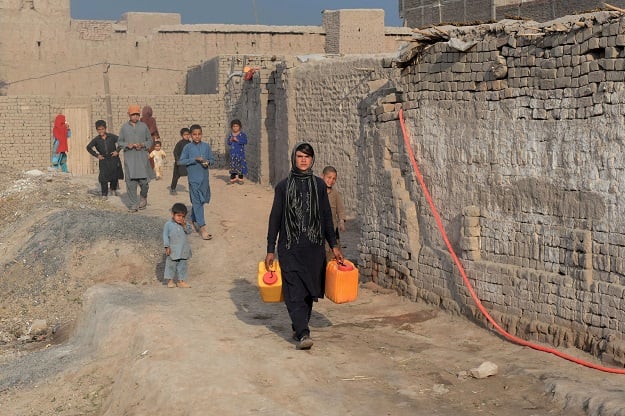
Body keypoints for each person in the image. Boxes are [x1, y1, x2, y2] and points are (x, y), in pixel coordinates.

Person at [265, 142, 344, 350]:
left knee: (309, 291)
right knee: (294, 291)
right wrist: (270, 248)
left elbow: (327, 217)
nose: (303, 159)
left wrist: (334, 245)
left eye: (307, 157)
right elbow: (275, 218)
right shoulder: (283, 186)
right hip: (289, 247)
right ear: (294, 158)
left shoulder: (319, 185)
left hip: (313, 247)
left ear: (312, 160)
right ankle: (303, 332)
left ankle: (299, 324)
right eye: (299, 156)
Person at [178, 124, 214, 240]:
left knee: (200, 201)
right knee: (198, 202)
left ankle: (193, 220)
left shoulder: (206, 147)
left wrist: (208, 162)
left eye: (199, 134)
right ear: (190, 135)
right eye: (194, 134)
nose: (197, 136)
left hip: (204, 179)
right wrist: (194, 159)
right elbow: (181, 161)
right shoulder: (188, 147)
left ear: (201, 134)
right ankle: (203, 228)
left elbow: (212, 160)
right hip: (193, 179)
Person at [118, 104, 154, 212]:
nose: (135, 117)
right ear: (129, 115)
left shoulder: (143, 126)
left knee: (144, 183)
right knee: (131, 183)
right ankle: (134, 204)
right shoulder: (124, 128)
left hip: (141, 158)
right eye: (133, 114)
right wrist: (126, 145)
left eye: (137, 114)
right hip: (130, 159)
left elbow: (150, 141)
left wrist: (142, 144)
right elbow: (119, 142)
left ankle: (143, 196)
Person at [85, 120, 123, 199]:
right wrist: (97, 155)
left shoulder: (111, 136)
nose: (101, 131)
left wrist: (117, 151)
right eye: (99, 129)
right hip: (103, 159)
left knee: (114, 175)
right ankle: (104, 194)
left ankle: (113, 190)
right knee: (103, 177)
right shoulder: (96, 140)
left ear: (105, 128)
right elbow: (88, 147)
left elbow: (121, 141)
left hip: (113, 158)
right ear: (97, 130)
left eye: (102, 129)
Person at [163, 203, 193, 288]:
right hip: (173, 250)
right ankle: (170, 281)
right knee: (171, 265)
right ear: (173, 214)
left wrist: (184, 225)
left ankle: (181, 281)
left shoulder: (185, 224)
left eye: (183, 216)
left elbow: (189, 232)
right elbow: (165, 236)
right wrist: (166, 246)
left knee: (182, 266)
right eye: (178, 216)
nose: (180, 218)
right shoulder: (168, 224)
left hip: (183, 249)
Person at [322, 166, 347, 260]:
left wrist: (341, 222)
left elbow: (340, 210)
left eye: (334, 179)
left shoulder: (335, 194)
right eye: (329, 177)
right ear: (322, 176)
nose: (331, 180)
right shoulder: (317, 193)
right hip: (320, 234)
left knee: (333, 258)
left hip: (332, 233)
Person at [170, 127, 191, 195]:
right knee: (176, 176)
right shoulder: (180, 143)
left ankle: (192, 189)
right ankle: (173, 188)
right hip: (179, 163)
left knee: (191, 176)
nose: (187, 136)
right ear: (182, 135)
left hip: (187, 163)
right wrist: (177, 160)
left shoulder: (191, 143)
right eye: (185, 134)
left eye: (188, 134)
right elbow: (175, 152)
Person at [226, 119, 248, 184]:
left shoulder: (242, 134)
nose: (235, 128)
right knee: (233, 166)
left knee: (240, 166)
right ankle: (233, 179)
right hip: (233, 154)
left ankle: (240, 179)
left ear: (240, 127)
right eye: (234, 126)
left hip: (240, 154)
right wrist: (230, 140)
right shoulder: (231, 135)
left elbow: (245, 141)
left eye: (237, 126)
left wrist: (237, 140)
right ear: (231, 127)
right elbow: (228, 143)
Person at [141, 105, 159, 170]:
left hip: (144, 140)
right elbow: (154, 129)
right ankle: (151, 169)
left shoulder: (141, 119)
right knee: (152, 156)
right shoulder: (152, 119)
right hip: (151, 140)